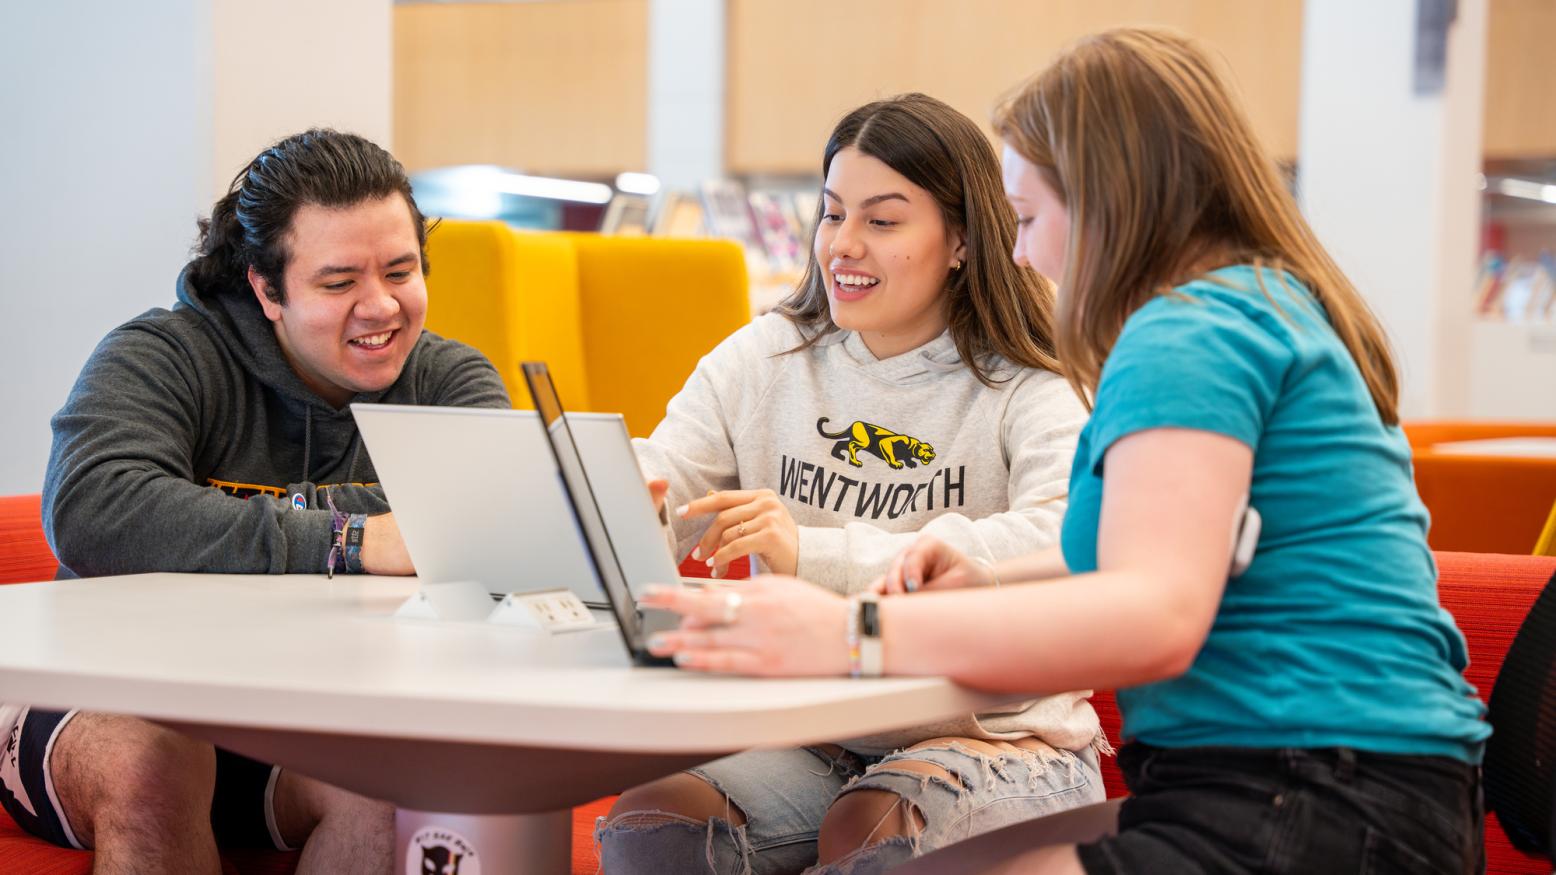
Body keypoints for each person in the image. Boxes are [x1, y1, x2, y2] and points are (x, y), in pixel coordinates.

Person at [640, 28, 1488, 875]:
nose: (1019, 253)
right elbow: (1190, 553)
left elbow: (1157, 614)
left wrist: (857, 631)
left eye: (1029, 218)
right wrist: (994, 577)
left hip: (1312, 790)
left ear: (1111, 201)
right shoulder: (1254, 305)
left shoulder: (1188, 336)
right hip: (1339, 780)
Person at [599, 94, 1105, 875]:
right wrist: (621, 490)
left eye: (883, 219)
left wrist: (812, 551)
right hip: (819, 735)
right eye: (832, 214)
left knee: (869, 829)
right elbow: (671, 475)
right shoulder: (766, 355)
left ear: (963, 239)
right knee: (654, 823)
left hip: (997, 735)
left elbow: (1060, 535)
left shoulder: (1032, 384)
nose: (843, 245)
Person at [2, 129, 509, 874]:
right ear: (267, 289)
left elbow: (492, 511)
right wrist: (353, 539)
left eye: (400, 271)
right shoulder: (161, 356)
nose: (381, 306)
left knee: (390, 792)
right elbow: (95, 508)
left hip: (312, 713)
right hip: (109, 694)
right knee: (154, 762)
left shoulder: (450, 381)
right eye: (339, 283)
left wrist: (204, 509)